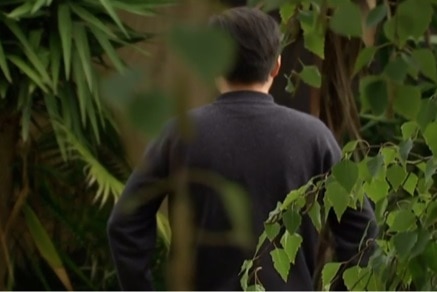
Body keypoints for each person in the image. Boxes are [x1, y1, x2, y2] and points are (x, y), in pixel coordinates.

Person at [107, 7, 378, 291]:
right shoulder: (314, 137)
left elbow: (124, 224)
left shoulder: (178, 134)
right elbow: (363, 231)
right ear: (276, 66)